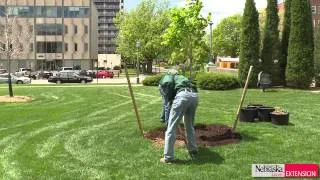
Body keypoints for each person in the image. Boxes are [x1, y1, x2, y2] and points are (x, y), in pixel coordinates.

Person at [160, 73, 199, 164]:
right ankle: (193, 149)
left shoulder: (167, 77)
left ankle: (168, 157)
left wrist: (165, 115)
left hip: (182, 96)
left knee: (171, 127)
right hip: (194, 96)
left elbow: (167, 98)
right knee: (189, 125)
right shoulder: (182, 77)